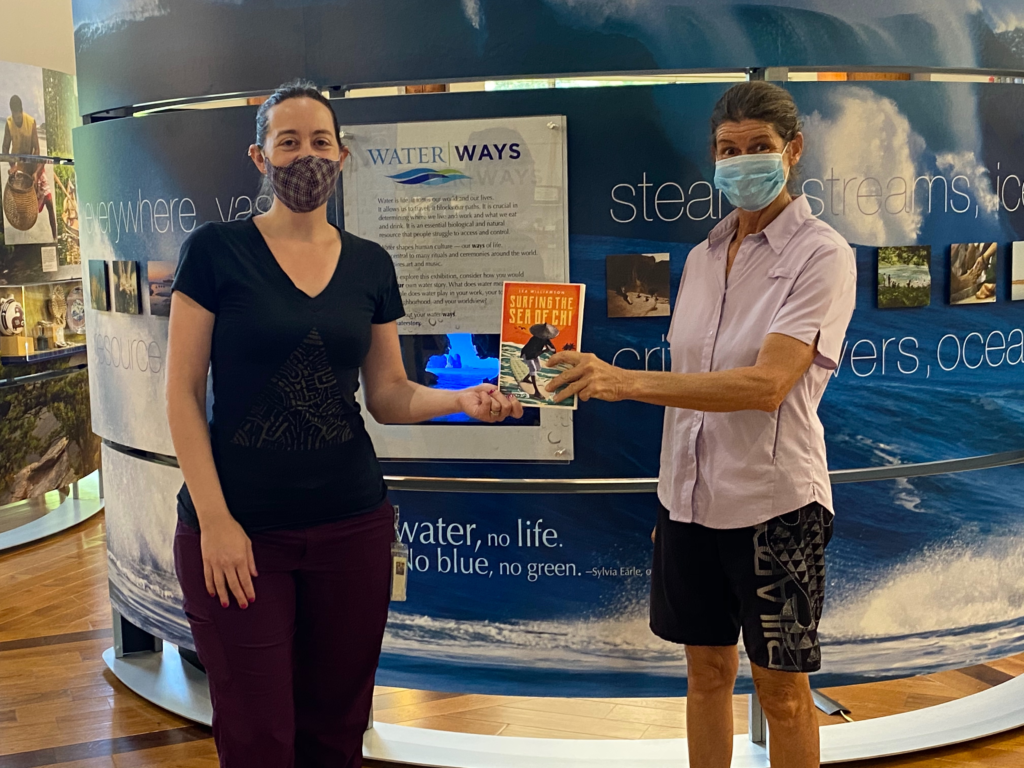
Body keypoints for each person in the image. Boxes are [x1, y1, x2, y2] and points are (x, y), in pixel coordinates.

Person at [165, 79, 523, 768]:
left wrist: (461, 400)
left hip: (350, 528)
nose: (307, 155)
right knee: (257, 736)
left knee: (337, 732)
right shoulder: (215, 252)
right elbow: (181, 393)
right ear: (259, 156)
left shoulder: (370, 264)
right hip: (239, 532)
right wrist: (215, 520)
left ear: (343, 154)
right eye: (288, 141)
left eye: (320, 141)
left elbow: (388, 395)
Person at [545, 81, 856, 768]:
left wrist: (622, 381)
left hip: (776, 509)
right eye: (727, 149)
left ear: (793, 151)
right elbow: (694, 391)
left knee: (783, 695)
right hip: (689, 508)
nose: (741, 162)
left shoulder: (822, 253)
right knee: (705, 675)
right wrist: (676, 497)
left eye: (758, 148)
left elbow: (768, 384)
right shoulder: (702, 256)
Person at [2, 96, 56, 240]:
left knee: (49, 203)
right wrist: (12, 166)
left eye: (18, 116)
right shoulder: (8, 123)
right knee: (22, 206)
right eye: (15, 117)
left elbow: (37, 149)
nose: (17, 119)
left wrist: (36, 172)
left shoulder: (30, 122)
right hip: (19, 169)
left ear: (21, 111)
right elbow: (5, 148)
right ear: (12, 113)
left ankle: (55, 238)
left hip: (33, 167)